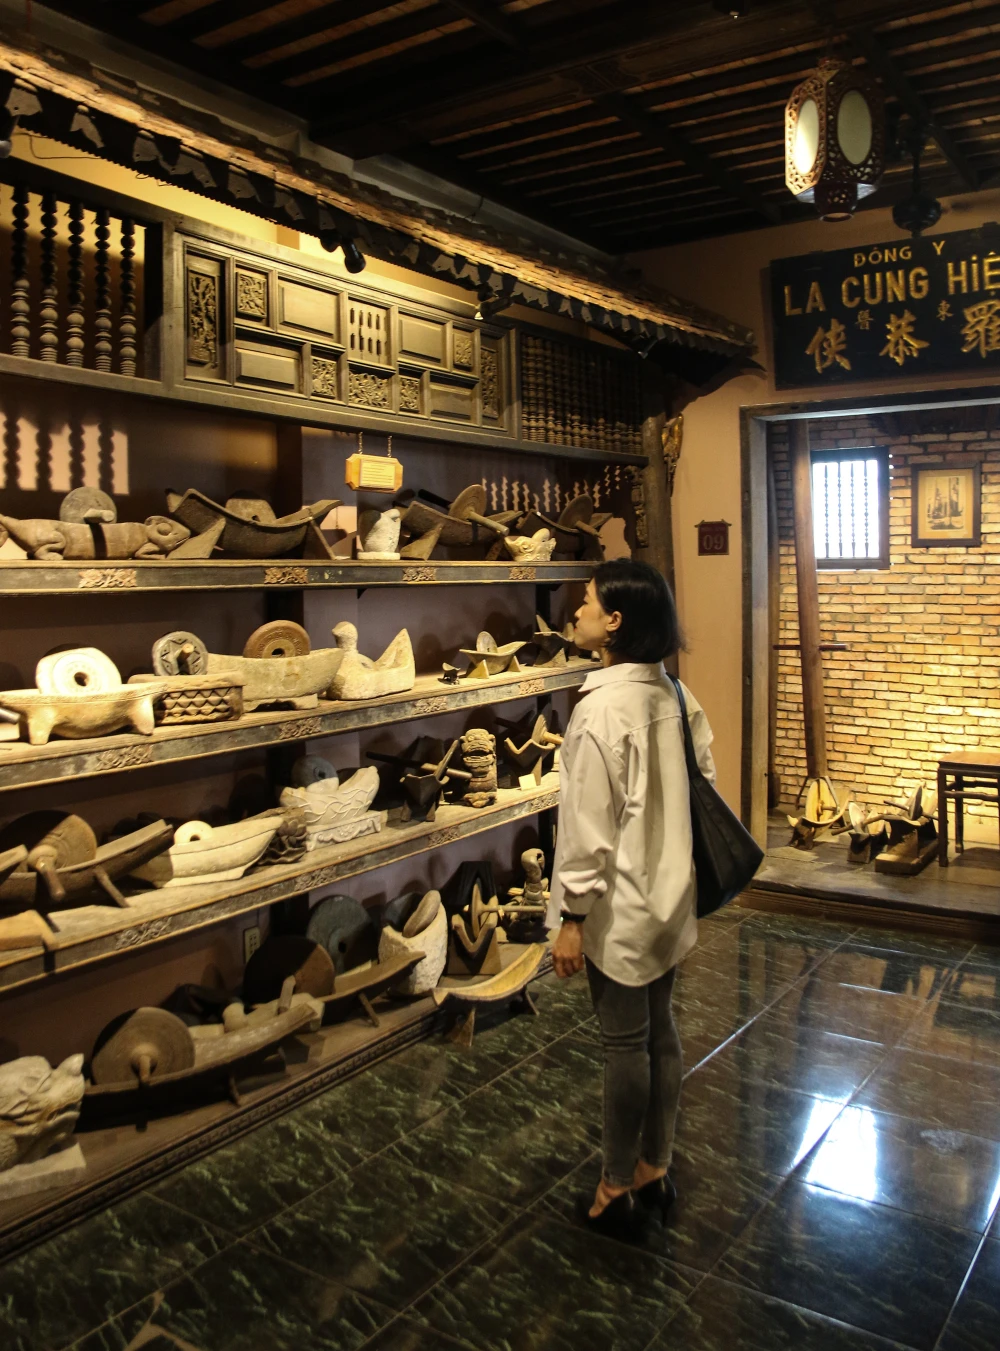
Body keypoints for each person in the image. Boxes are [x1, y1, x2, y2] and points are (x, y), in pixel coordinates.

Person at [547, 558, 715, 1237]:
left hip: (618, 909)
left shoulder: (598, 712)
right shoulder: (676, 695)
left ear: (613, 621)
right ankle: (656, 1166)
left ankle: (615, 1185)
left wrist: (571, 917)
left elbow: (587, 833)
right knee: (662, 1031)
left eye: (586, 602)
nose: (577, 611)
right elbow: (702, 790)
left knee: (625, 1044)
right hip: (672, 897)